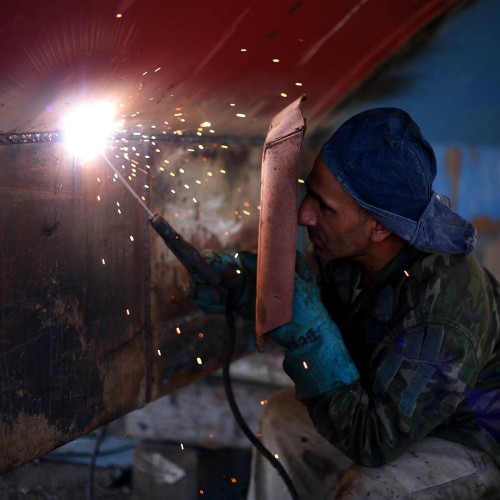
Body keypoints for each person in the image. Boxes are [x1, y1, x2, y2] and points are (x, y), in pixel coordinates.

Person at [190, 108, 500, 498]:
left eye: (325, 206)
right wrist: (247, 289)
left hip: (469, 439)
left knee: (371, 488)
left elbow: (374, 441)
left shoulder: (443, 311)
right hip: (397, 415)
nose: (305, 215)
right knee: (284, 419)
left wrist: (311, 337)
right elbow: (314, 304)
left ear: (380, 226)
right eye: (310, 194)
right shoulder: (348, 257)